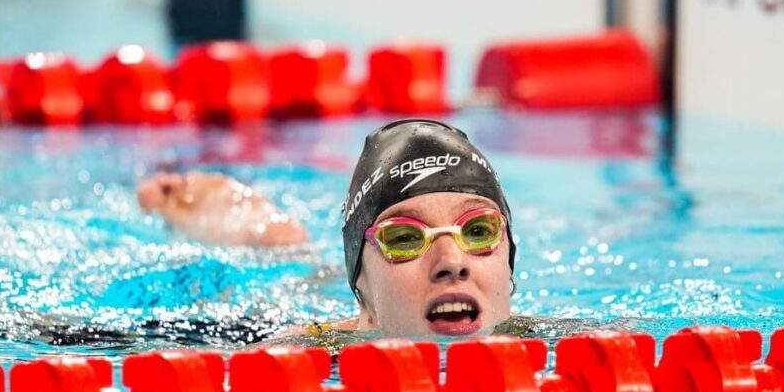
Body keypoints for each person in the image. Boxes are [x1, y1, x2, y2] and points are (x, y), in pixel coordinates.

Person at [137, 119, 516, 337]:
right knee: (293, 264)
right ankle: (275, 241)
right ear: (360, 286)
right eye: (404, 238)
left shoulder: (564, 344)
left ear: (510, 265)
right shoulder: (303, 353)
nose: (452, 261)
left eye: (478, 231)